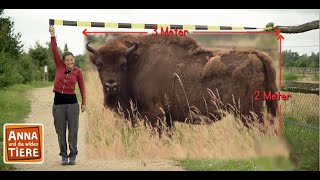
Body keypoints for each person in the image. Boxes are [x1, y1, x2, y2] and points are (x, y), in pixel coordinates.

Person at [49, 25, 86, 165]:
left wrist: (84, 102)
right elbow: (54, 50)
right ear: (63, 61)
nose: (70, 62)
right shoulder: (59, 67)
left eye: (72, 59)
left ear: (74, 60)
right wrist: (53, 35)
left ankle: (73, 154)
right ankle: (64, 155)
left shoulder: (78, 71)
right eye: (67, 60)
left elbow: (82, 87)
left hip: (72, 103)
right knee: (60, 131)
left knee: (73, 131)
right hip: (58, 103)